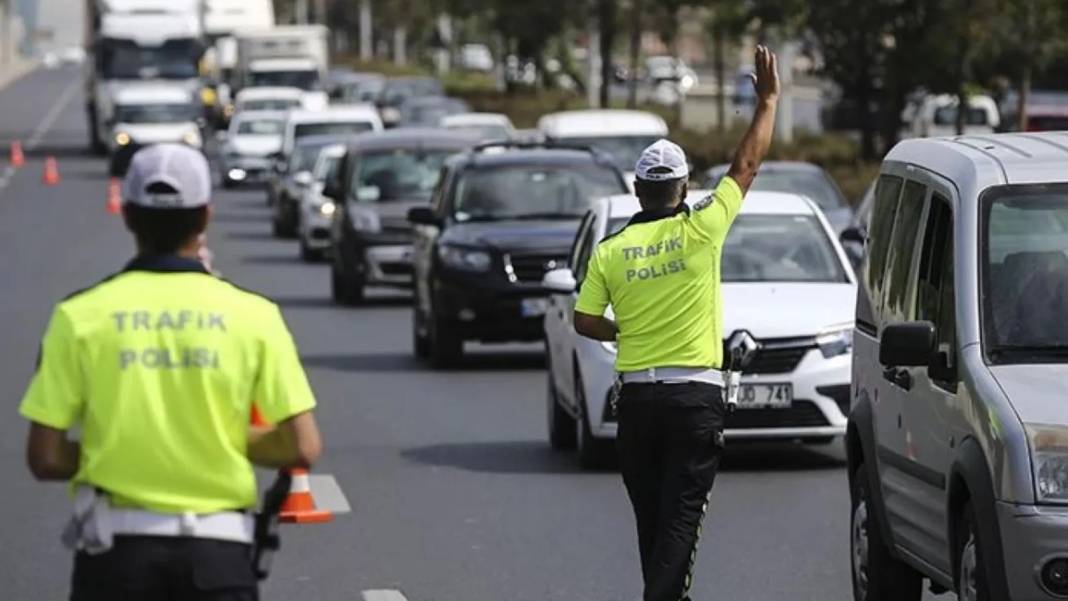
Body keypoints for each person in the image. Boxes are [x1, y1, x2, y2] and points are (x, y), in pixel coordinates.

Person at [19, 143, 323, 600]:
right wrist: (210, 440)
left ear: (126, 214)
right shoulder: (254, 316)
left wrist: (122, 449)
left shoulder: (79, 316)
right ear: (204, 219)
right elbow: (302, 445)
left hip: (115, 557)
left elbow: (45, 457)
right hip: (219, 555)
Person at [573, 46, 780, 601]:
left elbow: (584, 319)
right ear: (684, 189)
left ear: (638, 191)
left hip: (638, 403)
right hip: (695, 399)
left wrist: (625, 332)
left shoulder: (612, 249)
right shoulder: (703, 229)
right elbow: (746, 165)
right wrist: (768, 102)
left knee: (653, 523)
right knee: (680, 524)